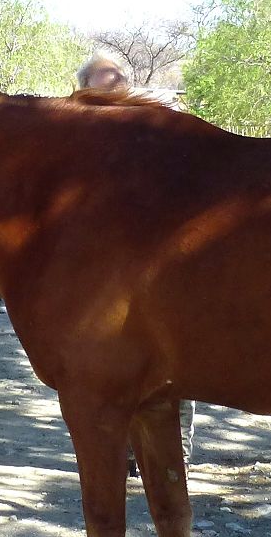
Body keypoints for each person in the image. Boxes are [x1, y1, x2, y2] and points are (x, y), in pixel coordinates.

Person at [74, 51, 197, 465]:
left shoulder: (155, 129)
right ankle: (123, 451)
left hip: (159, 274)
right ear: (83, 94)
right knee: (110, 366)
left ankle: (173, 450)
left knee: (170, 362)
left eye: (119, 85)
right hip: (100, 282)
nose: (115, 94)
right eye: (105, 88)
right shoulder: (72, 141)